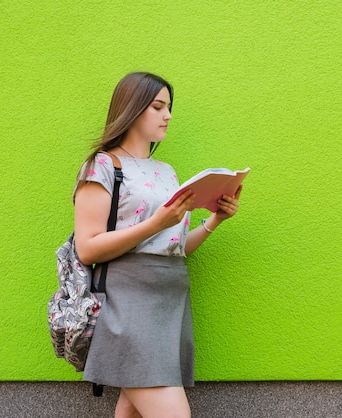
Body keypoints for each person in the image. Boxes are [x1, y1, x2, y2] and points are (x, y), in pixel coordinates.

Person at [73, 72, 242, 418]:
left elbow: (172, 248)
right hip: (128, 303)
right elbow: (87, 248)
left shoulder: (167, 171)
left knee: (131, 412)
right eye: (158, 107)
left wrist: (215, 221)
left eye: (169, 108)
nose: (168, 115)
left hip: (169, 301)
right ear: (133, 110)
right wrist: (156, 223)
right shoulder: (103, 165)